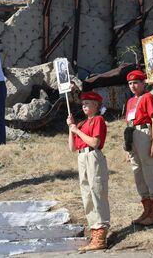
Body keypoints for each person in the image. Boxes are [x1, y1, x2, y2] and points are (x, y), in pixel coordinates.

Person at [67, 91, 110, 251]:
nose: (84, 106)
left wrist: (77, 131)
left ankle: (101, 230)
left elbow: (95, 142)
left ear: (96, 105)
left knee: (97, 190)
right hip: (81, 157)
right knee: (86, 194)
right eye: (83, 104)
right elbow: (72, 148)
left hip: (93, 156)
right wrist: (70, 128)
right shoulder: (81, 124)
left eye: (87, 103)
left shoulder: (98, 120)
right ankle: (94, 229)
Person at [125, 70, 153, 226]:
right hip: (132, 133)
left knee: (149, 171)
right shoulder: (130, 102)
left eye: (136, 83)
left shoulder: (148, 97)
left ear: (143, 83)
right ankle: (146, 210)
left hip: (144, 132)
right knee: (138, 173)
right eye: (130, 83)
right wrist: (126, 148)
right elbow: (127, 123)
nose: (133, 86)